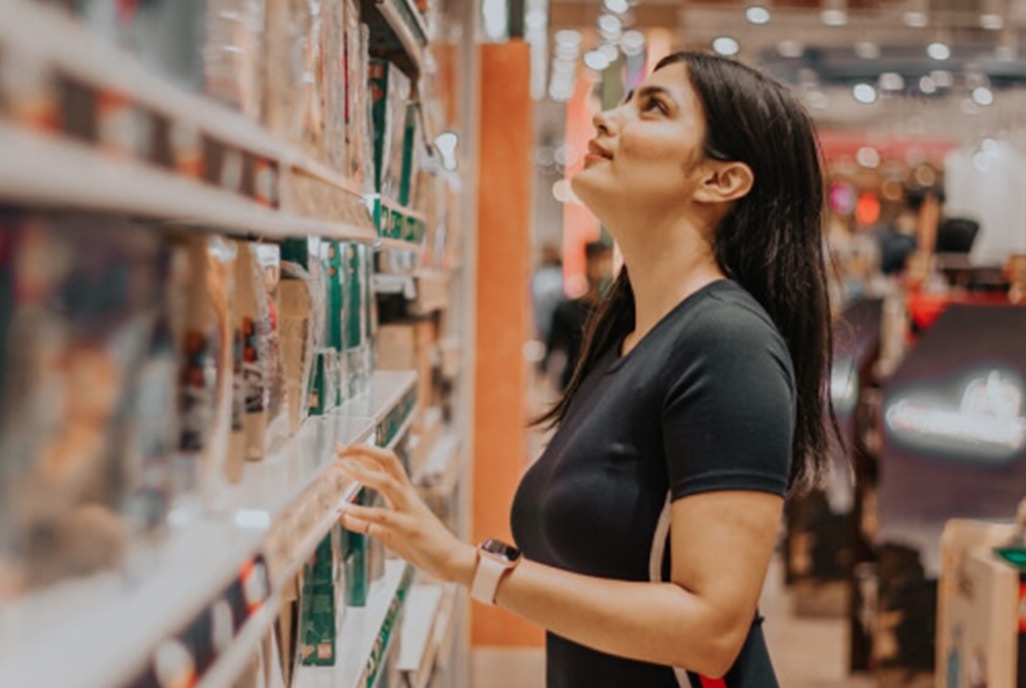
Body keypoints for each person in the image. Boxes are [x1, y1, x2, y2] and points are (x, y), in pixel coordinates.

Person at [335, 51, 834, 688]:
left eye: (653, 107)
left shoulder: (728, 344)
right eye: (625, 99)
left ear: (720, 180)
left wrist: (469, 567)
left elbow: (710, 633)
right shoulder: (626, 338)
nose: (606, 118)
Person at [543, 241, 614, 391]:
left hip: (603, 383)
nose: (600, 267)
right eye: (596, 260)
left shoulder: (612, 311)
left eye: (603, 260)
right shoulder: (567, 310)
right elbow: (554, 350)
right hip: (574, 382)